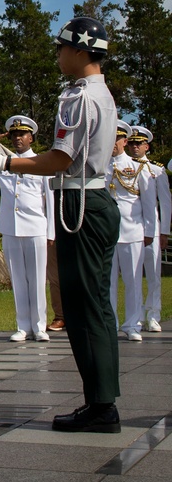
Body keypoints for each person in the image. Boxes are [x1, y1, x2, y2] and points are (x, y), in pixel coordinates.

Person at [0, 15, 121, 433]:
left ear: (79, 50)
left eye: (61, 48)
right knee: (95, 305)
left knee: (82, 308)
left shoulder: (77, 98)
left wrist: (5, 162)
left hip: (79, 203)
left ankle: (101, 407)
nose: (57, 55)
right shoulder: (101, 93)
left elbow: (61, 159)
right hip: (91, 199)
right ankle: (102, 399)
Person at [0, 115, 54, 342]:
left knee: (37, 280)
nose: (18, 138)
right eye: (14, 135)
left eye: (22, 134)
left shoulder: (41, 162)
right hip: (11, 229)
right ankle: (23, 326)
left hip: (36, 227)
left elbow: (50, 199)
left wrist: (51, 232)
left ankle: (39, 327)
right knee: (17, 280)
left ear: (31, 138)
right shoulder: (2, 162)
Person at [126, 127, 171, 332]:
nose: (135, 147)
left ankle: (153, 313)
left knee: (153, 274)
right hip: (128, 229)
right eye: (132, 143)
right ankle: (134, 316)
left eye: (139, 144)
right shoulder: (121, 167)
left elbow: (165, 202)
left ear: (147, 146)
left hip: (151, 229)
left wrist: (164, 232)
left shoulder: (157, 170)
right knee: (130, 276)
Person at [106, 124, 148, 341]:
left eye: (117, 139)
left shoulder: (138, 167)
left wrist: (149, 231)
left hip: (132, 230)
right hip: (107, 233)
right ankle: (110, 324)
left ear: (125, 141)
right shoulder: (99, 166)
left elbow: (148, 203)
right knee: (108, 282)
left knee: (132, 280)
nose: (113, 143)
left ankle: (133, 324)